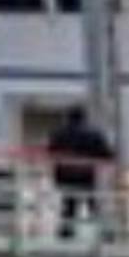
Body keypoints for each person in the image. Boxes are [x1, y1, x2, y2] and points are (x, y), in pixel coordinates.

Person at [47, 102, 115, 238]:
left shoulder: (58, 134)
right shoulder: (94, 134)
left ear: (68, 117)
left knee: (68, 203)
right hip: (87, 173)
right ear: (84, 117)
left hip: (65, 174)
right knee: (93, 203)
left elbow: (51, 152)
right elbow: (107, 154)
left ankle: (66, 231)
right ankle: (104, 233)